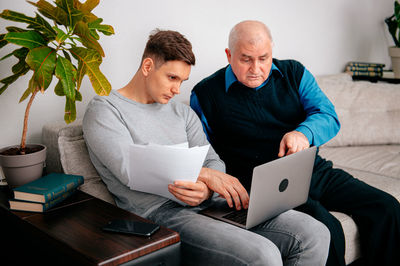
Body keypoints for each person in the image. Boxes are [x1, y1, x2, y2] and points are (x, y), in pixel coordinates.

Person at [82, 29, 330, 266]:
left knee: (314, 232)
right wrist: (204, 175)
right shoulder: (105, 110)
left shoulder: (182, 112)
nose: (177, 89)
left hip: (211, 203)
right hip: (161, 213)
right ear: (148, 66)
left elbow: (212, 160)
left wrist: (205, 189)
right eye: (172, 78)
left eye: (182, 80)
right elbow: (130, 167)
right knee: (262, 255)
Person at [191, 20, 400, 266]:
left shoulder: (294, 73)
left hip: (313, 170)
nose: (256, 68)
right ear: (229, 55)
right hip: (262, 188)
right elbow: (201, 153)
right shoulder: (204, 95)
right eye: (246, 59)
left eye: (263, 58)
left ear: (272, 52)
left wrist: (304, 133)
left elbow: (327, 115)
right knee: (328, 228)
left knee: (387, 208)